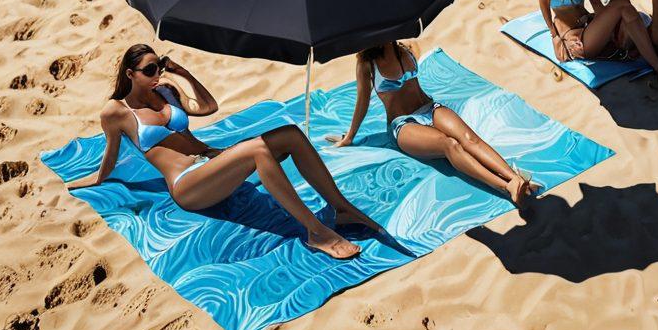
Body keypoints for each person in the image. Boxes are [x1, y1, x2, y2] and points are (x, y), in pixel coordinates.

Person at [67, 45, 379, 260]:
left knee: (291, 135)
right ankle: (316, 232)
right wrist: (97, 178)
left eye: (159, 66)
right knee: (257, 149)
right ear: (130, 74)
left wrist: (183, 73)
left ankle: (341, 208)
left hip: (209, 162)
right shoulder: (116, 112)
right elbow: (111, 152)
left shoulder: (166, 91)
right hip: (186, 185)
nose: (157, 74)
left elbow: (207, 107)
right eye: (149, 69)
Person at [337, 41, 534, 205]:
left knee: (469, 139)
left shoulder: (406, 48)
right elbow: (362, 102)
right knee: (449, 144)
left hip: (430, 108)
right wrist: (350, 136)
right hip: (403, 124)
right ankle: (504, 186)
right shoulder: (367, 64)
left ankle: (513, 177)